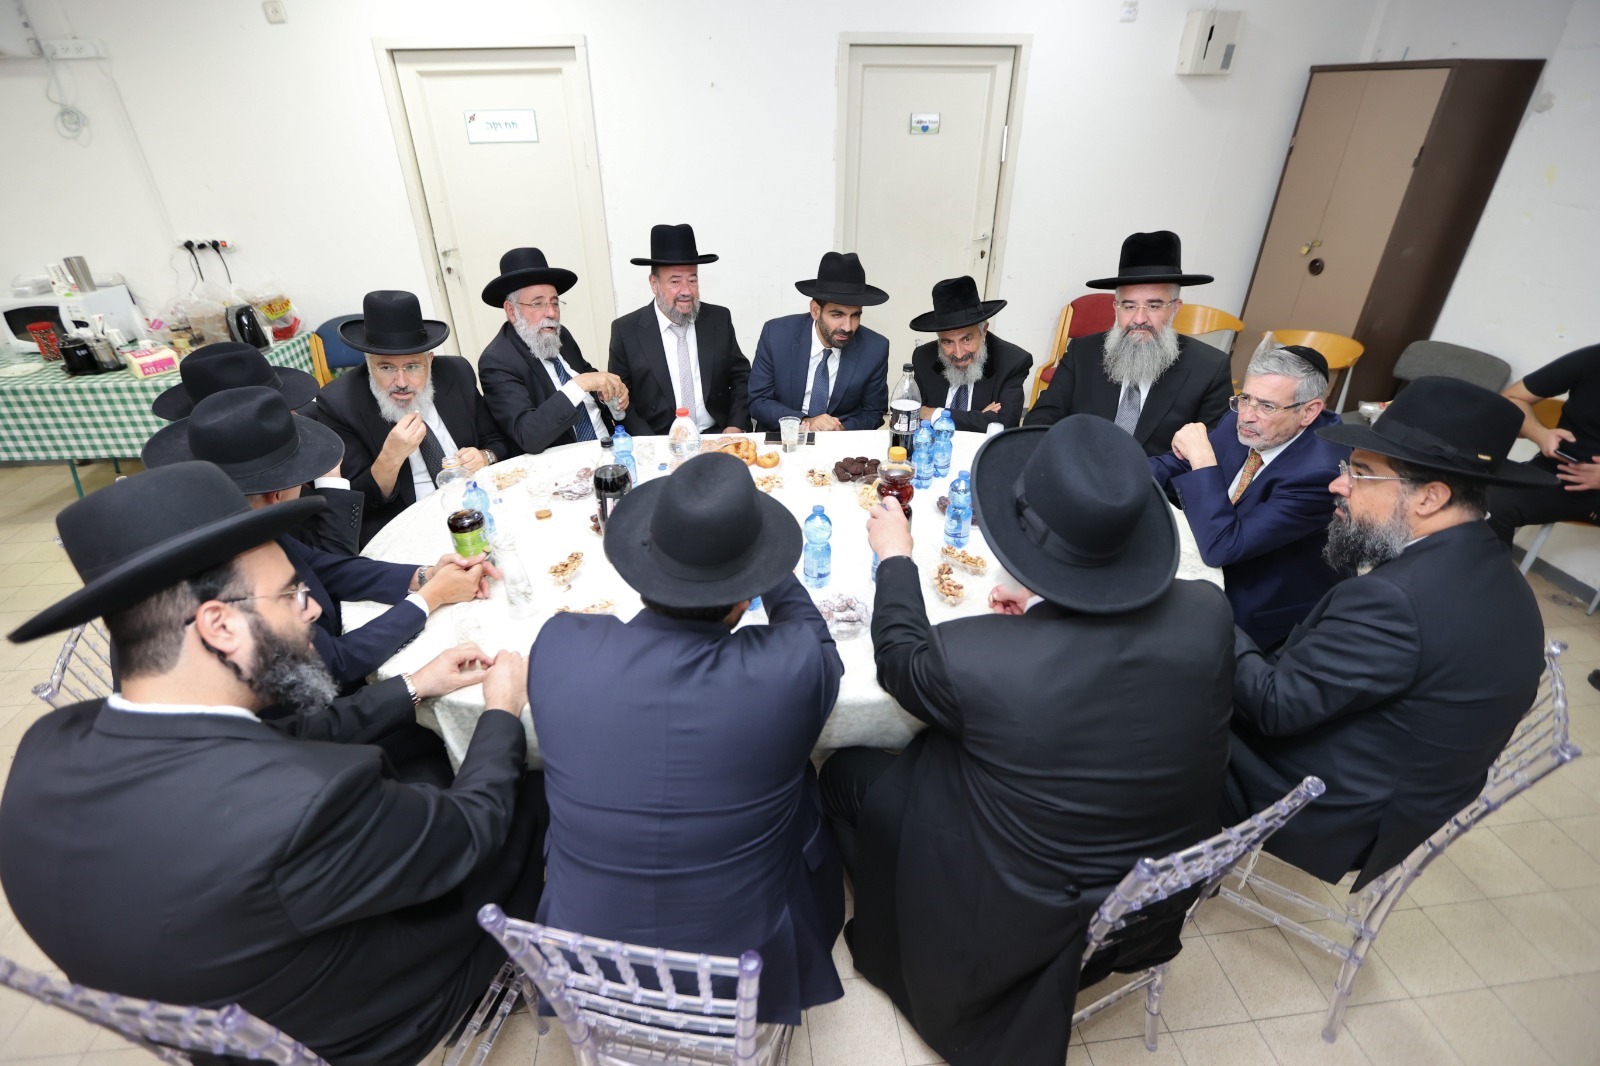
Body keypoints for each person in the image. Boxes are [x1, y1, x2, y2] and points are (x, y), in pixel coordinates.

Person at [0, 462, 544, 1066]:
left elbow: (287, 734)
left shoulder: (45, 747)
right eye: (290, 594)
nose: (310, 610)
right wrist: (501, 711)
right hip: (364, 1024)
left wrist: (414, 684)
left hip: (223, 1006)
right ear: (220, 625)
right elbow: (473, 829)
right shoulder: (309, 801)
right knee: (534, 790)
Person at [821, 416, 1234, 1066]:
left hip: (1021, 905)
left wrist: (896, 557)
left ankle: (890, 906)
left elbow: (900, 660)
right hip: (1153, 881)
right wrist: (1043, 608)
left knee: (844, 774)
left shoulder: (980, 661)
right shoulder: (1208, 612)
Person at [528, 452, 845, 1023]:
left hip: (587, 964)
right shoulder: (790, 669)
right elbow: (815, 639)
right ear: (746, 596)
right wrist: (764, 561)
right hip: (744, 966)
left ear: (643, 567)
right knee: (804, 778)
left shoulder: (558, 648)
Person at [1224, 377, 1554, 890]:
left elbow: (1274, 707)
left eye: (1360, 474)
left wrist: (1209, 612)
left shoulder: (1395, 600)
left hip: (1330, 807)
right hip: (1399, 790)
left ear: (1430, 498)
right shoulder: (1489, 564)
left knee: (1152, 706)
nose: (1338, 486)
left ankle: (1138, 890)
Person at [142, 387, 494, 691]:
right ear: (277, 495)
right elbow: (334, 661)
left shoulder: (235, 516)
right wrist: (429, 599)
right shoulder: (225, 570)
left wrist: (423, 577)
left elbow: (322, 566)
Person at [1150, 339, 1347, 648]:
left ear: (1309, 412)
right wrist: (1121, 474)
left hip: (1255, 602)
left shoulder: (1319, 473)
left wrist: (1202, 458)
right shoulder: (1244, 418)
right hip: (1213, 549)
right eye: (1245, 398)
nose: (1247, 416)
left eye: (1267, 406)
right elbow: (1179, 463)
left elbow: (1224, 547)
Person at [313, 290, 512, 546]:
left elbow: (498, 440)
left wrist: (485, 456)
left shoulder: (456, 373)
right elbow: (354, 505)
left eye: (413, 366)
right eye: (386, 367)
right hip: (409, 526)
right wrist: (390, 458)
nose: (401, 382)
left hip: (478, 506)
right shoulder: (340, 402)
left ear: (430, 360)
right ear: (369, 363)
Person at [1024, 230, 1232, 455]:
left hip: (1155, 476)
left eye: (1154, 306)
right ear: (1116, 308)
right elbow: (1042, 419)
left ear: (1175, 308)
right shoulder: (1082, 352)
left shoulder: (1210, 368)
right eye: (1129, 306)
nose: (1139, 319)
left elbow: (1213, 449)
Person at [153, 340, 363, 554]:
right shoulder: (244, 495)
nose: (294, 414)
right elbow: (333, 561)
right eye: (282, 408)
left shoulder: (307, 422)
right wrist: (331, 481)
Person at [477, 247, 628, 454]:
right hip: (565, 462)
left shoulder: (560, 335)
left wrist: (609, 395)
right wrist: (579, 385)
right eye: (538, 303)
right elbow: (528, 435)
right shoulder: (496, 361)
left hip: (611, 446)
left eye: (555, 303)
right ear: (511, 311)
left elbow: (592, 384)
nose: (551, 313)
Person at [608, 224, 751, 434]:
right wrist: (651, 444)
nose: (686, 291)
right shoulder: (626, 331)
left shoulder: (718, 319)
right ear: (654, 284)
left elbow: (742, 378)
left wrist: (735, 425)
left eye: (692, 280)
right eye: (675, 281)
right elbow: (621, 400)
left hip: (717, 435)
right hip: (659, 440)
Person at [748, 252, 890, 433]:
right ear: (815, 310)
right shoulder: (776, 335)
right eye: (837, 315)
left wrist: (840, 429)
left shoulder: (875, 348)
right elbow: (759, 401)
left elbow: (873, 412)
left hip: (840, 440)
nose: (847, 327)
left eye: (855, 316)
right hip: (784, 435)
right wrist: (806, 422)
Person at [1487, 342, 1600, 545]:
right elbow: (1511, 398)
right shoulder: (1593, 358)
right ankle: (1489, 566)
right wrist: (1540, 434)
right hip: (1560, 473)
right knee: (1487, 501)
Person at [907, 275, 1032, 431]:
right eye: (947, 342)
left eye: (966, 339)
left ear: (984, 330)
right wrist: (979, 418)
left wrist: (934, 414)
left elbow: (1004, 425)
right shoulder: (924, 357)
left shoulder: (1012, 362)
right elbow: (911, 413)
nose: (959, 354)